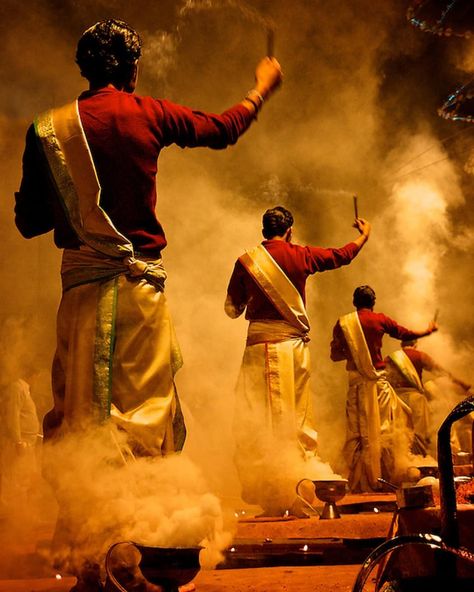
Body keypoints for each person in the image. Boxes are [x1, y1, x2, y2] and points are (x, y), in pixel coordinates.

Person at [14, 18, 282, 590]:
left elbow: (28, 221)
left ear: (84, 68)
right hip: (137, 298)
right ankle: (135, 548)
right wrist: (261, 87)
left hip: (80, 300)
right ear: (133, 69)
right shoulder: (146, 112)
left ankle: (95, 553)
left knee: (83, 420)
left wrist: (75, 203)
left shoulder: (47, 130)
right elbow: (223, 129)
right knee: (142, 420)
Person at [225, 206, 371, 513]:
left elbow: (231, 309)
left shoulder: (246, 261)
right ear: (289, 230)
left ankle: (277, 492)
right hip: (293, 350)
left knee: (260, 418)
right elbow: (341, 255)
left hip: (258, 348)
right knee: (296, 418)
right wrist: (364, 236)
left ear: (263, 230)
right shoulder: (301, 255)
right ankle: (295, 486)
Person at [330, 285, 438, 492]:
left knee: (359, 433)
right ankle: (386, 478)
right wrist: (428, 330)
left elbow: (335, 355)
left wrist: (354, 352)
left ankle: (359, 483)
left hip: (356, 387)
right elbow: (404, 333)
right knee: (388, 428)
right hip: (379, 386)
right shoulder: (380, 319)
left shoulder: (343, 323)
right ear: (373, 302)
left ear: (354, 302)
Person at [385, 339, 471, 455]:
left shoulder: (390, 358)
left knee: (398, 434)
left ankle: (401, 464)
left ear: (401, 344)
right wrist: (463, 386)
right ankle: (419, 464)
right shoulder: (419, 355)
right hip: (414, 400)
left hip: (394, 400)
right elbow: (441, 371)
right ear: (415, 344)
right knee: (419, 435)